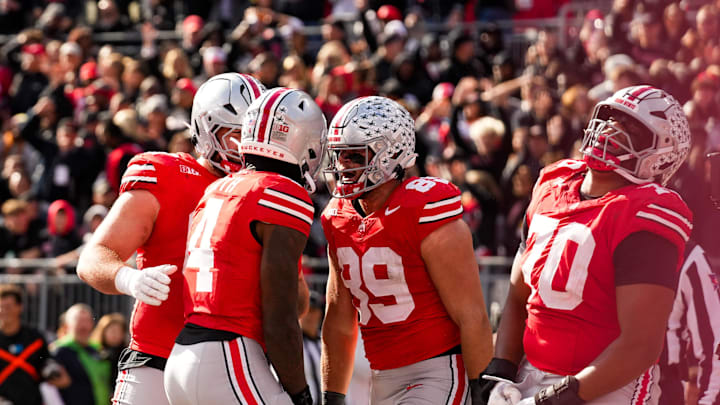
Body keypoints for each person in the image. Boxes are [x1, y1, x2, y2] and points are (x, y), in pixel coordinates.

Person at [480, 85, 693, 405]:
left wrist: (560, 397)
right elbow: (517, 297)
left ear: (662, 155)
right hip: (531, 373)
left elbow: (640, 344)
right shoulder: (553, 183)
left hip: (605, 385)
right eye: (608, 118)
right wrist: (500, 371)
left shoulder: (647, 210)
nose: (610, 129)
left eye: (630, 128)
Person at [76, 73, 266, 405]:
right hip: (158, 359)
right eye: (236, 136)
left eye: (252, 137)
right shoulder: (165, 175)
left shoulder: (268, 193)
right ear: (207, 129)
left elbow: (297, 299)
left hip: (238, 367)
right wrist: (128, 277)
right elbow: (94, 255)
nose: (245, 148)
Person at [320, 96, 493, 405]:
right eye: (339, 155)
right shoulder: (338, 217)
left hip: (437, 371)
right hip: (381, 376)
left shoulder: (425, 209)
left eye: (355, 155)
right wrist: (332, 396)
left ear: (391, 152)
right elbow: (338, 320)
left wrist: (482, 391)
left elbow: (472, 316)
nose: (343, 165)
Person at [163, 87, 327, 405]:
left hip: (184, 352)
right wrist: (302, 393)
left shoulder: (218, 188)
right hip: (228, 354)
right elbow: (279, 315)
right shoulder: (282, 193)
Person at [0, 285, 70, 405]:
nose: (4, 311)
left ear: (20, 307)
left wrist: (56, 375)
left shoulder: (34, 338)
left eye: (8, 307)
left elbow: (46, 364)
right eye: (1, 307)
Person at [53, 303, 111, 405]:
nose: (83, 325)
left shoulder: (98, 350)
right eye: (78, 321)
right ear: (67, 325)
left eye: (87, 320)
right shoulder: (58, 350)